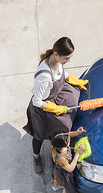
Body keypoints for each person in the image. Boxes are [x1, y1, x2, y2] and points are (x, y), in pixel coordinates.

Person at [23, 37, 88, 174]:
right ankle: (36, 157)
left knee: (64, 123)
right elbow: (37, 101)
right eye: (66, 58)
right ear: (56, 54)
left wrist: (75, 81)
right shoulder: (44, 77)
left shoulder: (57, 61)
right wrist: (55, 108)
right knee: (39, 135)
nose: (68, 61)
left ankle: (59, 141)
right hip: (43, 107)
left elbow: (62, 74)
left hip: (57, 95)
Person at [51, 127, 86, 193]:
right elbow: (70, 168)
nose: (69, 138)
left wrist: (77, 132)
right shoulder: (61, 158)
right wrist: (77, 154)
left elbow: (68, 135)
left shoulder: (55, 142)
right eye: (68, 140)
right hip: (63, 171)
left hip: (56, 167)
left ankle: (56, 186)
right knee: (67, 187)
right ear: (65, 144)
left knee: (56, 177)